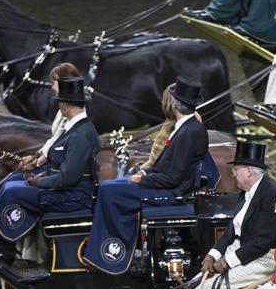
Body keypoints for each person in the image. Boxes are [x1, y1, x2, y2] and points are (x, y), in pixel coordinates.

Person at [164, 141, 276, 289]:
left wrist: (227, 261)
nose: (233, 176)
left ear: (248, 171)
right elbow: (230, 231)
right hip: (242, 250)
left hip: (264, 257)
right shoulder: (245, 194)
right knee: (197, 281)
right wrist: (212, 255)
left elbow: (262, 242)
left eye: (235, 171)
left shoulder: (272, 193)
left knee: (214, 286)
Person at [83, 78, 209, 274]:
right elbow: (167, 166)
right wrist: (145, 171)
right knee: (114, 184)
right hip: (165, 182)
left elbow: (173, 178)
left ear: (175, 103)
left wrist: (143, 179)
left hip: (172, 191)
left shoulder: (190, 132)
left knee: (108, 190)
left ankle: (112, 254)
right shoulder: (185, 127)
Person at [0, 76, 100, 249]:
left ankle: (2, 247)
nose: (59, 106)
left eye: (60, 103)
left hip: (72, 196)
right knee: (13, 181)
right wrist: (43, 174)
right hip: (67, 190)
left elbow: (68, 178)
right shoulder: (75, 128)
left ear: (66, 105)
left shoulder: (80, 135)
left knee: (12, 192)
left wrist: (40, 182)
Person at [18, 62, 84, 171]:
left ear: (64, 84)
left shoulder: (73, 110)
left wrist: (36, 164)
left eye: (54, 83)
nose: (52, 87)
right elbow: (53, 139)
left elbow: (58, 142)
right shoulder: (64, 106)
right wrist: (36, 155)